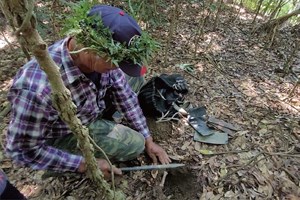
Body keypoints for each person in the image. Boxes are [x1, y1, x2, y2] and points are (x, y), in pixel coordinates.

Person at [4, 5, 171, 178]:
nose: (116, 67)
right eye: (115, 61)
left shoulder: (101, 60)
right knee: (135, 144)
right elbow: (20, 150)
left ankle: (105, 125)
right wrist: (83, 164)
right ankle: (61, 162)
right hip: (62, 133)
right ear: (91, 49)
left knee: (134, 79)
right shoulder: (37, 89)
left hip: (88, 108)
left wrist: (148, 139)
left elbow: (126, 96)